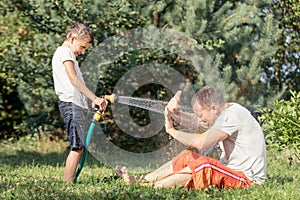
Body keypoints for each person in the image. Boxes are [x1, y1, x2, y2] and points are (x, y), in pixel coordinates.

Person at [117, 86, 266, 189]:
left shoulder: (232, 116)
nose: (200, 119)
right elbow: (195, 121)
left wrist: (172, 131)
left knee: (205, 165)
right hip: (230, 172)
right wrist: (174, 114)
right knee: (187, 156)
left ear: (213, 108)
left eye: (202, 115)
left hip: (247, 180)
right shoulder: (222, 114)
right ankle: (140, 180)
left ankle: (149, 187)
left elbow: (201, 143)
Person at [52, 22, 107, 184]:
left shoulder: (68, 54)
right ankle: (68, 182)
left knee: (80, 146)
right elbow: (73, 79)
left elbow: (76, 84)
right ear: (72, 37)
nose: (82, 52)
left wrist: (90, 101)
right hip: (70, 105)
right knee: (77, 146)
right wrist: (95, 98)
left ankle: (70, 180)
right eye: (82, 47)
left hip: (75, 105)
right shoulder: (64, 52)